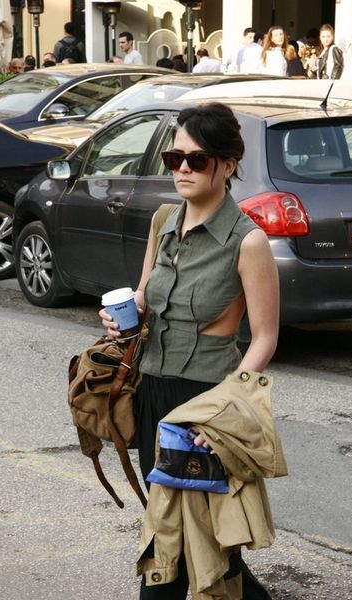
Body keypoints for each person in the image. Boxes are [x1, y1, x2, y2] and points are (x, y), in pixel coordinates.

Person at [100, 102, 279, 599]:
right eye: (174, 158)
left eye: (196, 160)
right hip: (152, 395)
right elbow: (145, 295)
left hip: (205, 405)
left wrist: (222, 414)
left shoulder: (248, 242)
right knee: (187, 539)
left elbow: (265, 337)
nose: (182, 169)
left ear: (227, 164)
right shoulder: (163, 221)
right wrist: (123, 316)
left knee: (187, 543)